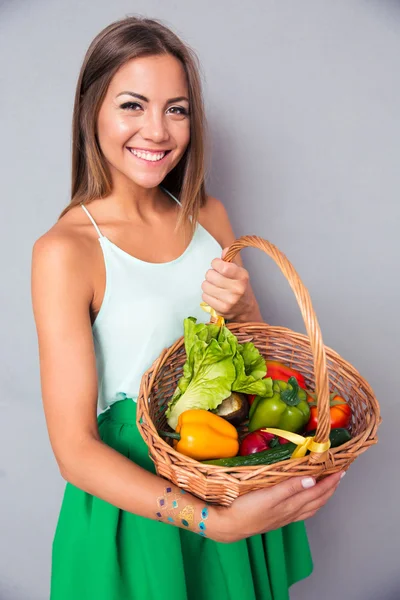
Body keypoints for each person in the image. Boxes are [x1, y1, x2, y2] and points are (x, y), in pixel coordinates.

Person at [31, 16, 343, 600]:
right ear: (91, 110)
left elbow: (250, 365)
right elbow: (74, 450)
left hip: (222, 467)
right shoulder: (65, 251)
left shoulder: (210, 218)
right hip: (143, 507)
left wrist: (247, 304)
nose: (158, 130)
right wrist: (212, 522)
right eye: (133, 105)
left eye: (176, 109)